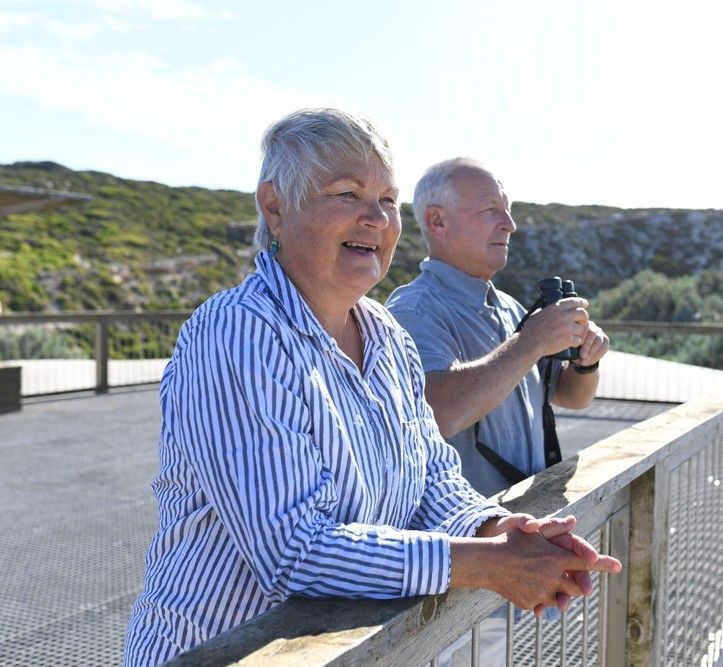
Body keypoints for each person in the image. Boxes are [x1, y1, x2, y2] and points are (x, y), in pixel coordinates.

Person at [122, 109, 619, 666]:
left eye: (387, 200)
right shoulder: (238, 331)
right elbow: (295, 550)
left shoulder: (387, 335)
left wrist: (497, 526)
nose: (376, 218)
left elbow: (431, 477)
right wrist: (489, 562)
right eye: (347, 193)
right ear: (275, 207)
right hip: (217, 652)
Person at [386, 158, 611, 499]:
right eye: (491, 209)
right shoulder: (414, 311)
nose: (510, 224)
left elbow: (570, 396)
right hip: (468, 539)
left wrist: (586, 362)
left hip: (521, 524)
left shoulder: (511, 309)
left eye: (508, 210)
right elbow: (438, 413)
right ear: (438, 221)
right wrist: (531, 342)